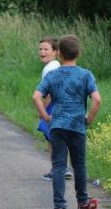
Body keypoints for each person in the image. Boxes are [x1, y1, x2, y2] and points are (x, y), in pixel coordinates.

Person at [32, 34, 101, 209]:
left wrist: (46, 117)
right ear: (79, 53)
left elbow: (36, 96)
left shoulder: (53, 75)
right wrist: (89, 119)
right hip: (77, 126)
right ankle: (83, 201)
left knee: (59, 166)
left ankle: (60, 205)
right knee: (79, 165)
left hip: (57, 126)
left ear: (59, 53)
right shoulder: (86, 75)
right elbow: (97, 100)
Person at [36, 37, 74, 181]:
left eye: (46, 49)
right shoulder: (57, 65)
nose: (42, 52)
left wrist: (42, 110)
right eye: (40, 49)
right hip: (65, 105)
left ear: (56, 52)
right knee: (61, 138)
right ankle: (66, 168)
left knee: (51, 139)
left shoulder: (49, 69)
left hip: (54, 106)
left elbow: (49, 93)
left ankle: (56, 170)